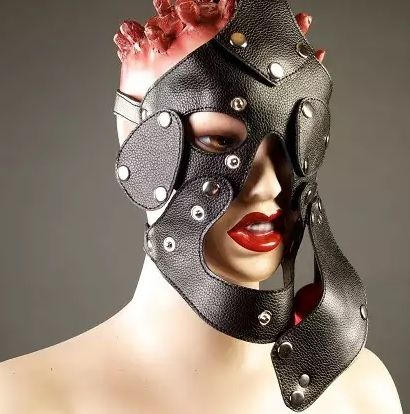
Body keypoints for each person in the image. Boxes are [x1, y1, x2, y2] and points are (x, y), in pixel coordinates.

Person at [0, 1, 403, 413]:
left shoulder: (361, 394)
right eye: (220, 141)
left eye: (294, 144)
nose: (269, 186)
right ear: (137, 148)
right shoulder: (24, 400)